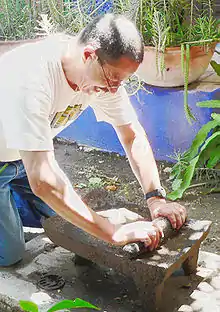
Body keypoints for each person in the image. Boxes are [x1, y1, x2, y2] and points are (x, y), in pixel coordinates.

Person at [0, 13, 187, 267]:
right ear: (89, 55)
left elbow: (132, 136)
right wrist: (113, 232)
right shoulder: (31, 78)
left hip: (22, 158)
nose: (114, 90)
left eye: (122, 81)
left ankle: (12, 201)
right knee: (10, 254)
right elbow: (43, 180)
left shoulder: (102, 75)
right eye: (112, 79)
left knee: (68, 223)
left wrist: (155, 198)